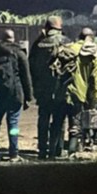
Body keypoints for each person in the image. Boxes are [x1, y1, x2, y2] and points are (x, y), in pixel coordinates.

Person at [29, 16, 70, 159]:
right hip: (60, 88)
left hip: (42, 88)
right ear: (60, 27)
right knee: (59, 120)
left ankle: (42, 150)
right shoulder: (66, 42)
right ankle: (55, 150)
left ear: (46, 27)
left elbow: (31, 65)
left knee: (43, 119)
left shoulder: (38, 44)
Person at [0, 29, 33, 162]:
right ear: (13, 38)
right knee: (13, 124)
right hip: (15, 93)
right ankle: (13, 153)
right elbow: (26, 76)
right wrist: (28, 97)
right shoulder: (19, 52)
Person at [61, 28, 97, 159]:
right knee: (76, 121)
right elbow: (95, 78)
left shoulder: (69, 48)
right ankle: (73, 149)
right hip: (79, 91)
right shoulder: (92, 53)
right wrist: (95, 95)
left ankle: (54, 149)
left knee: (59, 121)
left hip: (62, 90)